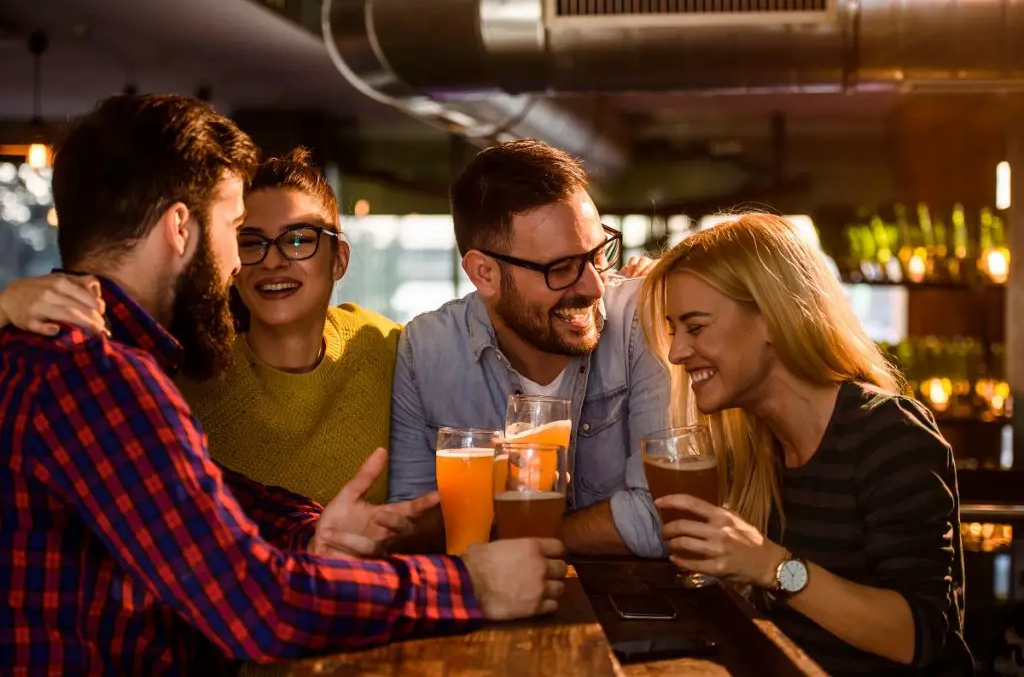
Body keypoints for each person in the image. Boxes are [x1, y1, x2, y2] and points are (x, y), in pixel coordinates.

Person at [0, 93, 566, 677]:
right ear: (179, 228)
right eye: (236, 229)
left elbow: (198, 495)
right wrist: (472, 586)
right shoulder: (102, 380)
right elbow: (258, 607)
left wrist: (310, 530)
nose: (239, 263)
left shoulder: (61, 361)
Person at [638, 213, 971, 676]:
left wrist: (772, 566)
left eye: (695, 327)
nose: (676, 352)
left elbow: (915, 636)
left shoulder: (889, 435)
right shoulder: (756, 446)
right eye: (674, 330)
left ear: (774, 318)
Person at [0, 149, 398, 508]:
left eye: (297, 241)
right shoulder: (181, 376)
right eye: (250, 241)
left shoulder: (389, 347)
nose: (272, 261)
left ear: (338, 260)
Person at [387, 139, 670, 558]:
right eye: (561, 269)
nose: (594, 285)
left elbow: (661, 517)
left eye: (598, 254)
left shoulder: (642, 318)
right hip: (486, 609)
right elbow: (410, 528)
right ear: (484, 273)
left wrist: (517, 535)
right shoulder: (427, 350)